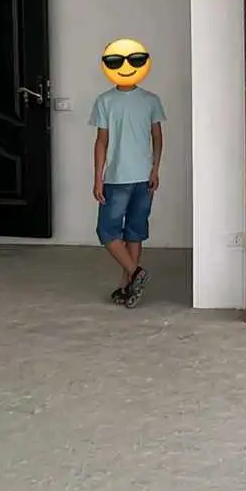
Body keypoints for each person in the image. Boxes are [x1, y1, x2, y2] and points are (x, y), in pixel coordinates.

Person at [90, 37, 165, 305]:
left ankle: (133, 275)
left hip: (120, 178)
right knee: (134, 231)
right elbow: (158, 138)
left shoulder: (105, 101)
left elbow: (102, 141)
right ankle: (128, 284)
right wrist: (155, 168)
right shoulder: (150, 100)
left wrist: (98, 178)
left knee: (108, 231)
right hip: (142, 176)